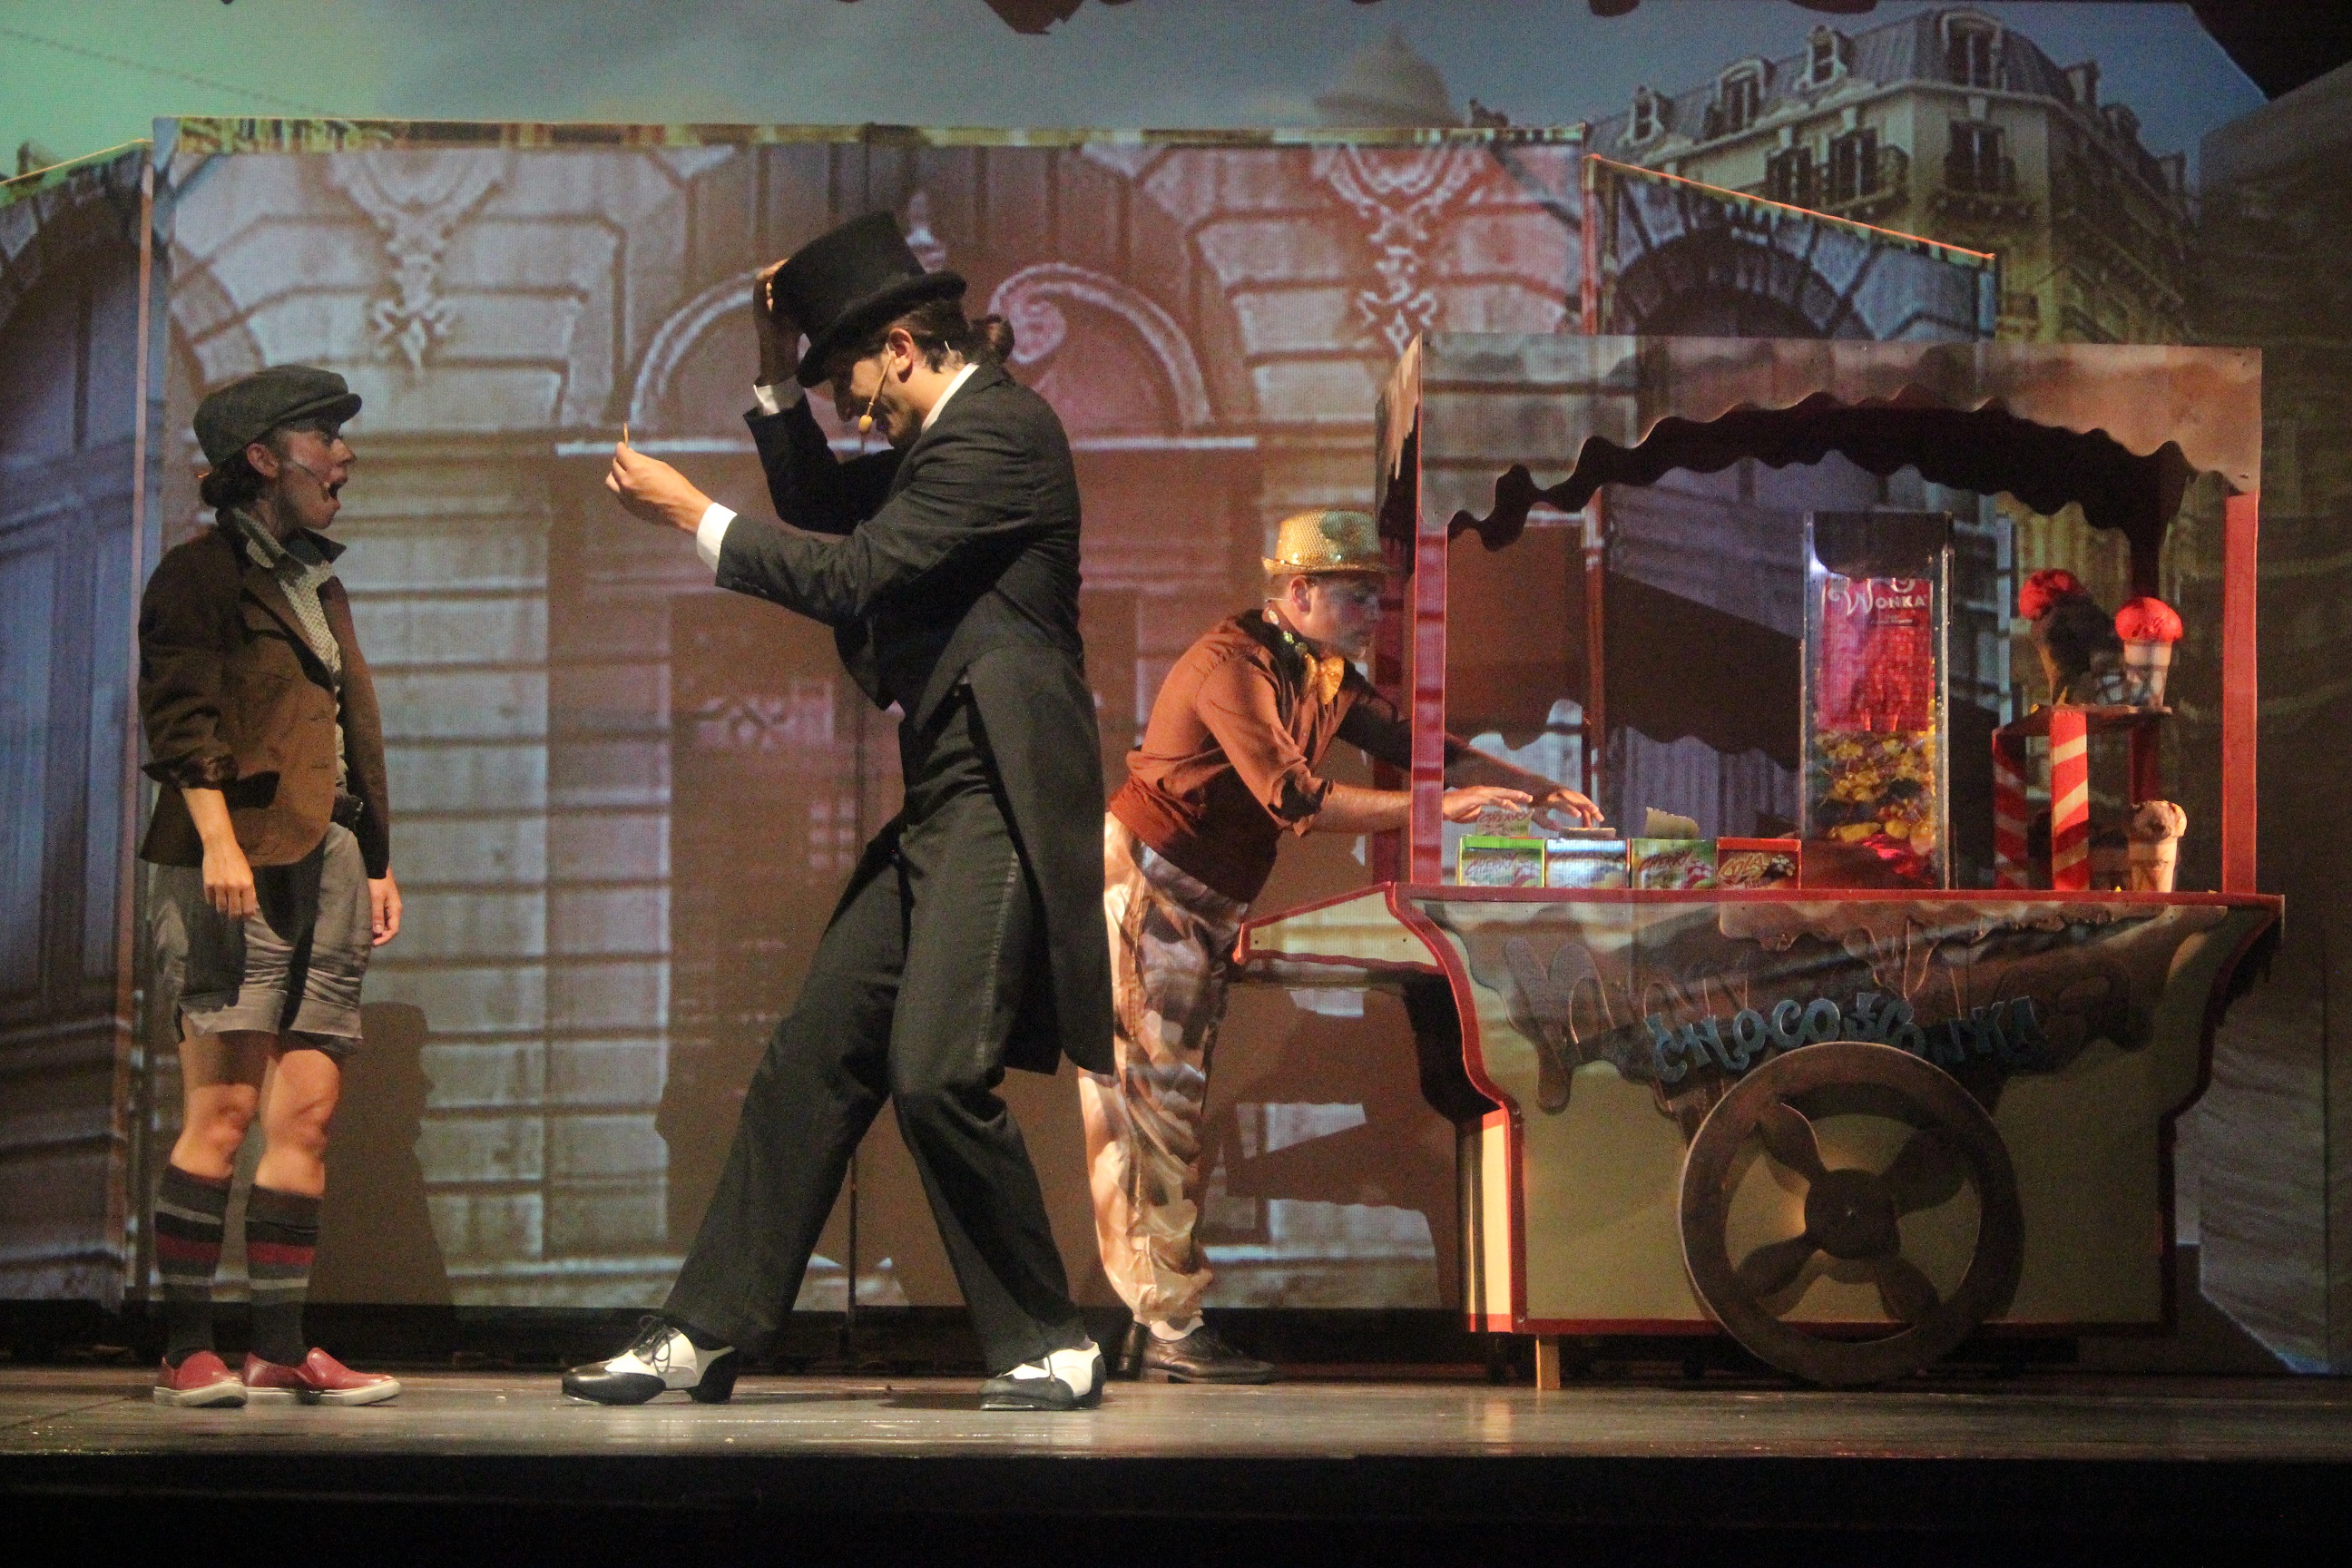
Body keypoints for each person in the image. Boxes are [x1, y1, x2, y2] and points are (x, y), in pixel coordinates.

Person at [568, 211, 1114, 1411]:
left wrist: (689, 515)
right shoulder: (944, 441)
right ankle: (702, 1332)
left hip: (1000, 791)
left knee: (936, 1074)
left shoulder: (1000, 435)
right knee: (814, 1055)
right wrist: (776, 368)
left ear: (904, 347)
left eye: (851, 385)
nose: (853, 412)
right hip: (945, 793)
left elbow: (854, 573)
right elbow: (822, 497)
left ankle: (1052, 1339)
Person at [1084, 510, 1601, 1381]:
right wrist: (1439, 809)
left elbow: (1415, 744)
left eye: (1376, 595)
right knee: (1150, 1102)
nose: (1373, 612)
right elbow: (1296, 798)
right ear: (1300, 593)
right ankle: (1166, 1325)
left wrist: (1532, 786)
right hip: (1152, 887)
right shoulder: (1232, 666)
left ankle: (1160, 1318)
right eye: (1357, 596)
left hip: (1204, 897)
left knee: (1170, 1103)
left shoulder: (1319, 672)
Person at [139, 366, 404, 1408]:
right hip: (234, 860)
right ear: (262, 459)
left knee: (308, 1115)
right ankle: (185, 1349)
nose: (343, 458)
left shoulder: (316, 585)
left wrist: (375, 858)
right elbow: (181, 720)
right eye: (324, 439)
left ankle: (280, 1348)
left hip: (325, 857)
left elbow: (343, 733)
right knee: (224, 1109)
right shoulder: (198, 576)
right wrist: (216, 843)